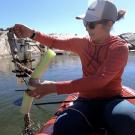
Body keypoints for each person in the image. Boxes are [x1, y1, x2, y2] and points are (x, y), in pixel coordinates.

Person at [13, 0, 135, 135]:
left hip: (112, 100)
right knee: (63, 126)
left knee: (130, 123)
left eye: (91, 24)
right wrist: (31, 33)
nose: (87, 28)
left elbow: (100, 80)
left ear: (109, 24)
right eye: (85, 23)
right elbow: (54, 42)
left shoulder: (119, 47)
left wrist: (52, 87)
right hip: (85, 101)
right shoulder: (82, 43)